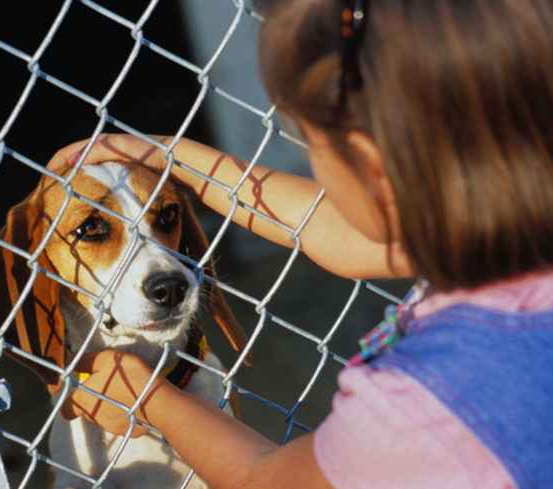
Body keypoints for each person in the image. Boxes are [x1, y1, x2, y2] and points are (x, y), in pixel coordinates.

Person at [44, 0, 553, 487]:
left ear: (372, 170)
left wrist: (149, 397)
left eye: (311, 147)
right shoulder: (515, 247)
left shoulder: (426, 398)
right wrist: (169, 156)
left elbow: (263, 479)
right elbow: (322, 225)